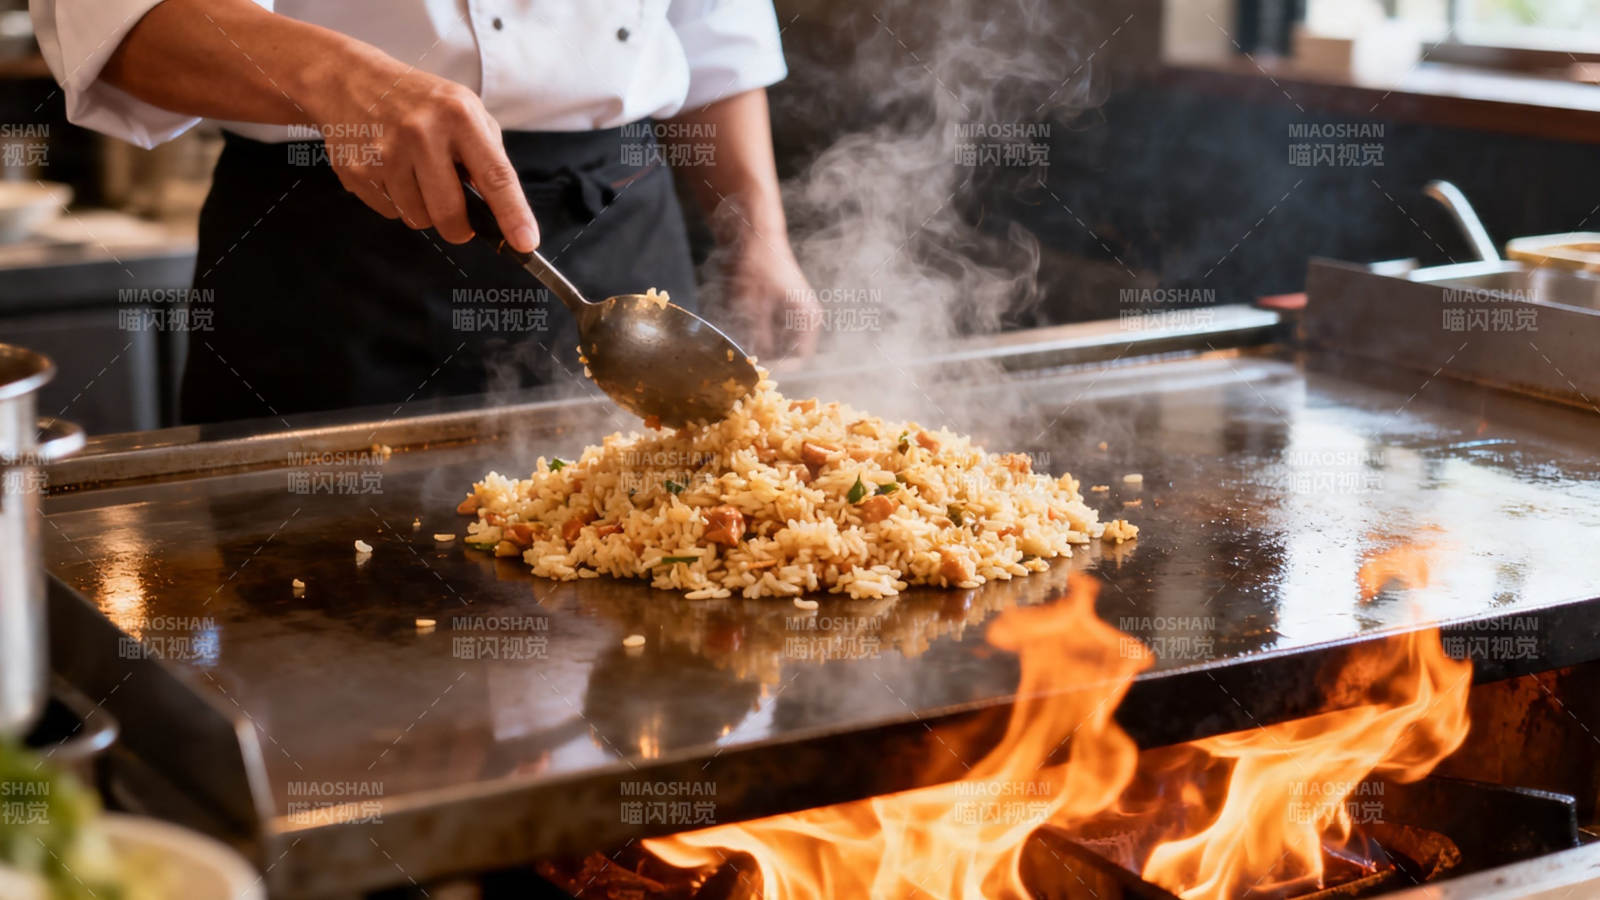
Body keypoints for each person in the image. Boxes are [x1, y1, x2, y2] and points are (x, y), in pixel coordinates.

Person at [31, 0, 820, 423]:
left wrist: (760, 234)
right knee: (324, 623)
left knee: (651, 593)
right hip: (332, 249)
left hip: (618, 229)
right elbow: (122, 23)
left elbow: (715, 31)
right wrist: (346, 81)